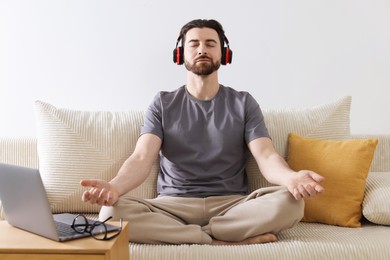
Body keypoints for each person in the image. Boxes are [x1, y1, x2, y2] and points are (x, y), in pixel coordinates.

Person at [80, 19, 324, 245]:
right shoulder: (162, 103)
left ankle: (196, 236)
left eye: (210, 44)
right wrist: (114, 187)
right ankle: (220, 239)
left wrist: (291, 178)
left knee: (292, 203)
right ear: (181, 53)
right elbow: (141, 157)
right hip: (172, 206)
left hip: (232, 205)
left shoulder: (244, 102)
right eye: (194, 44)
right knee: (110, 212)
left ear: (223, 53)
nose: (202, 50)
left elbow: (267, 156)